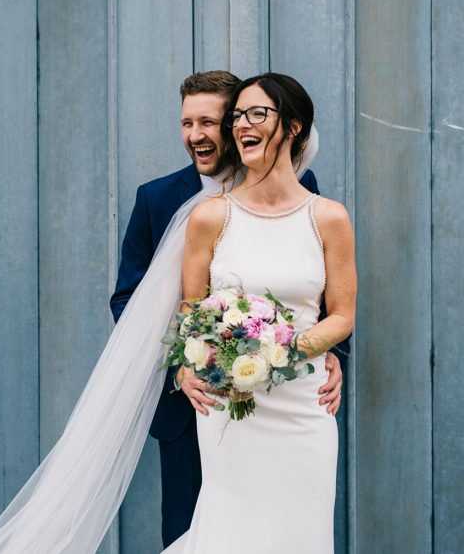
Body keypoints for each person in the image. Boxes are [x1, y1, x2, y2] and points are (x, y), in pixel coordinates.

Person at [111, 71, 345, 549]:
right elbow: (129, 300)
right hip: (198, 400)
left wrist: (328, 353)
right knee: (198, 533)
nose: (197, 135)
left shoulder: (307, 192)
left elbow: (317, 295)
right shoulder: (158, 199)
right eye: (186, 123)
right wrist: (184, 368)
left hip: (293, 398)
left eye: (210, 122)